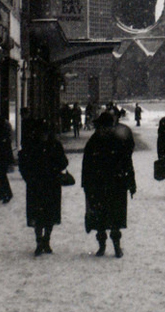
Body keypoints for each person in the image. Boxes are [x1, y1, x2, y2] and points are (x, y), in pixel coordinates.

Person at [82, 110, 136, 257]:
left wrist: (131, 183)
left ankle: (116, 247)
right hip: (101, 185)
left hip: (113, 184)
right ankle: (103, 246)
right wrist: (86, 185)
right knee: (102, 220)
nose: (103, 130)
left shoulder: (116, 142)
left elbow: (127, 163)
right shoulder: (94, 143)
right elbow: (86, 166)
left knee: (114, 220)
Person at [18, 122, 69, 255]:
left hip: (45, 185)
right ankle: (40, 241)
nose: (44, 136)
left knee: (46, 215)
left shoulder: (34, 146)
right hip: (41, 185)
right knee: (41, 215)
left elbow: (63, 162)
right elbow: (23, 164)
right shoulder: (51, 145)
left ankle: (45, 240)